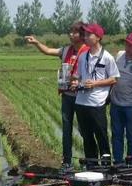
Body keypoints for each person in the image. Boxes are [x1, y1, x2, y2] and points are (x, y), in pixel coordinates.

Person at [24, 22, 88, 172]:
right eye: (70, 32)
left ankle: (88, 161)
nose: (71, 34)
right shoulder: (66, 50)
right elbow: (47, 51)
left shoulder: (88, 52)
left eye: (75, 32)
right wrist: (37, 43)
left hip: (82, 97)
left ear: (82, 34)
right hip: (67, 96)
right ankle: (67, 162)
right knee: (66, 129)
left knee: (84, 130)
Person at [71, 23, 119, 168]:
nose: (85, 37)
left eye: (88, 34)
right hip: (81, 102)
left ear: (98, 37)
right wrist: (75, 83)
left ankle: (105, 167)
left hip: (97, 103)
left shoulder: (107, 57)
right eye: (84, 34)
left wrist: (96, 84)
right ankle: (92, 167)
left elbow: (114, 78)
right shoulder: (82, 56)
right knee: (87, 137)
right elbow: (78, 76)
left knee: (102, 137)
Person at [109, 32, 132, 164]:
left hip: (131, 106)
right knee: (116, 135)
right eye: (126, 44)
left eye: (131, 45)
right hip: (116, 104)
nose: (127, 47)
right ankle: (118, 162)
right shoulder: (119, 55)